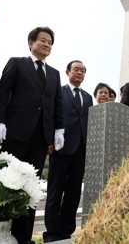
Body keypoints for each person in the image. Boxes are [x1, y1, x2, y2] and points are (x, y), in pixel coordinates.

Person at [0, 26, 65, 244]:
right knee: (7, 182)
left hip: (40, 139)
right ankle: (1, 234)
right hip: (15, 134)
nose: (47, 45)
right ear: (31, 42)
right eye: (43, 40)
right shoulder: (17, 63)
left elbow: (56, 104)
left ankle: (23, 237)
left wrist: (58, 130)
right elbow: (3, 92)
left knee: (30, 187)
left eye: (50, 42)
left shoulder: (54, 73)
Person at [43, 60, 93, 243]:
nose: (79, 73)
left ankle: (66, 231)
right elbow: (50, 116)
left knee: (73, 193)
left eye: (82, 70)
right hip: (60, 147)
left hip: (81, 150)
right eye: (76, 69)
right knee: (55, 191)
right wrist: (49, 140)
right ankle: (52, 232)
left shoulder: (88, 97)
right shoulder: (59, 92)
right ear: (67, 72)